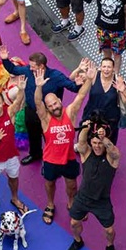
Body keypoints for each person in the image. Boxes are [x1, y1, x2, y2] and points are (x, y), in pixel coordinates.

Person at [34, 60, 95, 225]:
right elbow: (38, 103)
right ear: (47, 109)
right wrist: (39, 87)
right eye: (50, 106)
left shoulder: (70, 112)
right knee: (50, 184)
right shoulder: (46, 119)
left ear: (60, 102)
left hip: (68, 158)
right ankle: (50, 204)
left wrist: (89, 79)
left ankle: (71, 203)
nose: (54, 107)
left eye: (55, 103)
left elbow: (81, 95)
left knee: (72, 186)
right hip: (50, 160)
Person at [66, 119, 119, 250]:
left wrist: (104, 138)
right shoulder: (86, 153)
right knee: (74, 223)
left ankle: (109, 247)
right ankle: (78, 241)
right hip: (83, 197)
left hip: (102, 200)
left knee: (109, 230)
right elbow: (82, 142)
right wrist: (85, 128)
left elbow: (114, 152)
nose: (97, 146)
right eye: (94, 143)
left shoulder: (111, 158)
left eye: (99, 143)